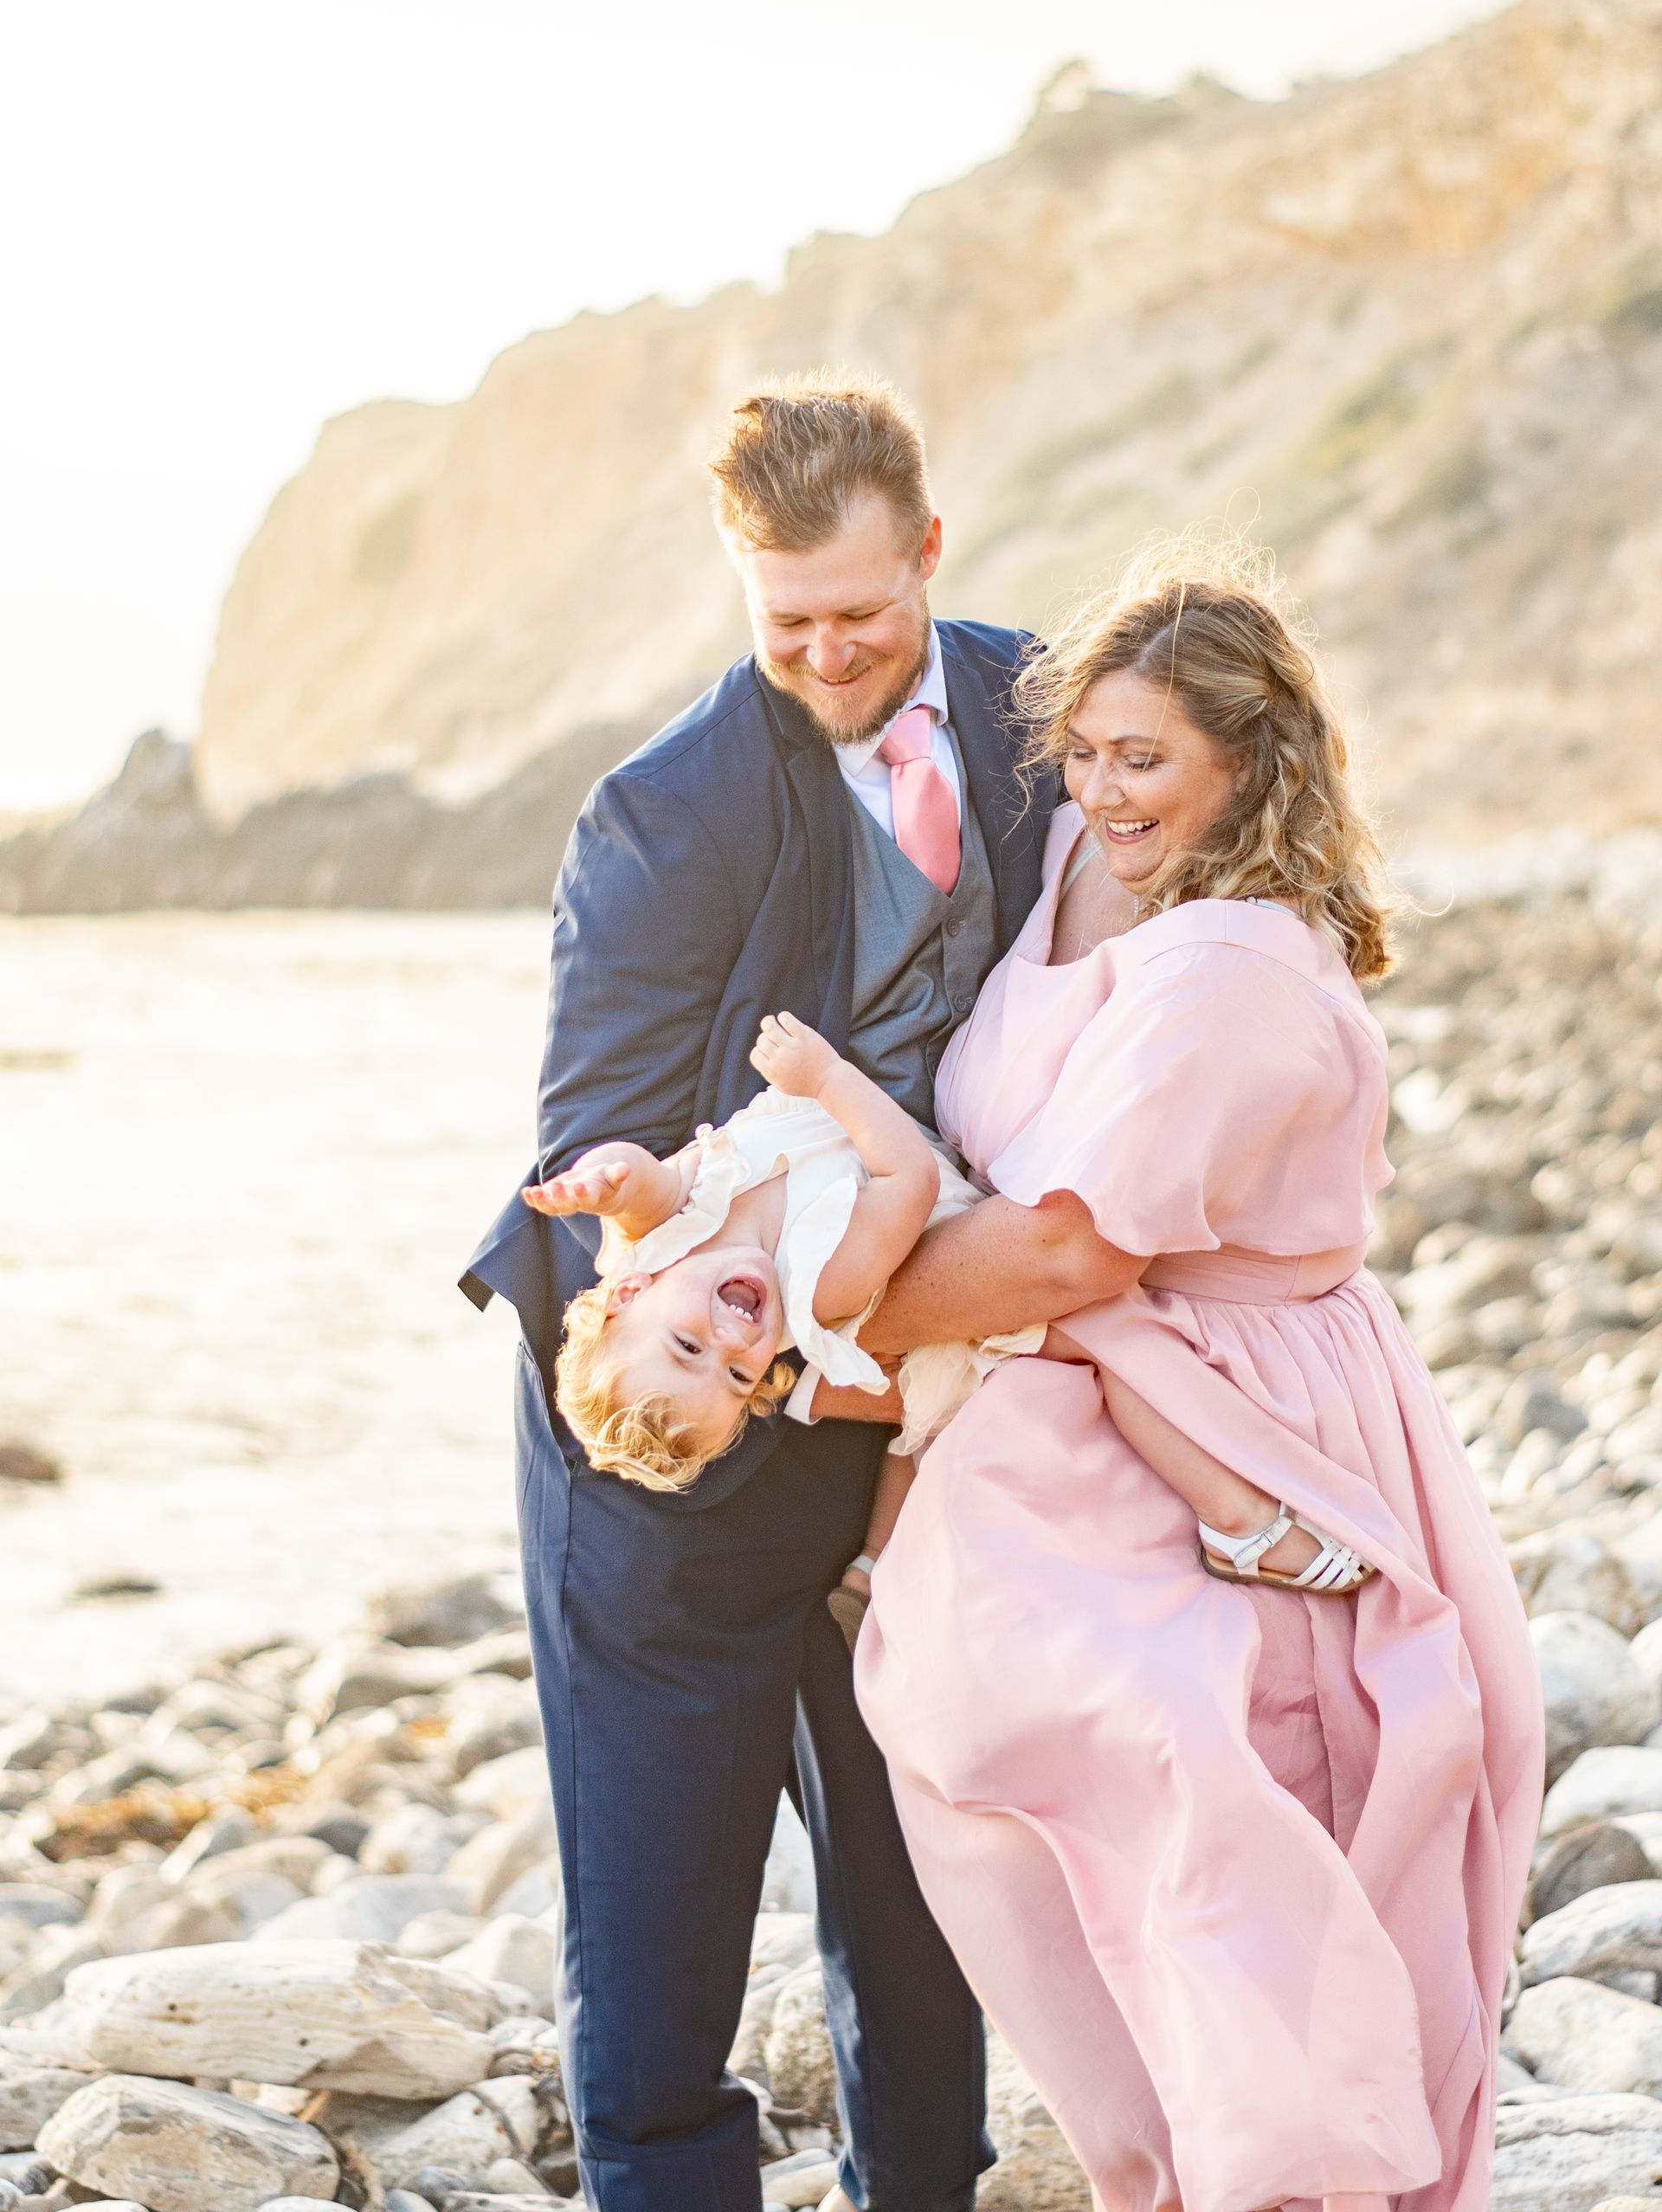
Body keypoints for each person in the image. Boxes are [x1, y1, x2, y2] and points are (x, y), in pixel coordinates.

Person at [854, 542, 1546, 2212]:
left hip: (1230, 1391)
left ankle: (1286, 2172)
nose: (1099, 789)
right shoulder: (1089, 860)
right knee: (1024, 1776)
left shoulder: (1232, 963)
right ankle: (1170, 2168)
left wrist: (821, 1335)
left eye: (1144, 755)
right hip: (1076, 1407)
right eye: (1083, 750)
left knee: (1214, 1788)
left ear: (1252, 759)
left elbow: (1079, 1247)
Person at [462, 373, 1055, 2212]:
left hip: (914, 1461)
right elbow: (593, 1167)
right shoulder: (659, 819)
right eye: (782, 623)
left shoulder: (1052, 717)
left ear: (933, 554)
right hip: (681, 1465)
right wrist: (794, 1357)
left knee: (922, 1933)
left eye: (864, 618)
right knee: (658, 1994)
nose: (826, 655)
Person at [521, 1008, 1039, 1637]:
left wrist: (604, 1184)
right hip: (974, 1223)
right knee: (930, 1426)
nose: (734, 1340)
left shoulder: (665, 1237)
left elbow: (642, 1181)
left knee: (924, 1429)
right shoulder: (816, 1284)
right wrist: (823, 1078)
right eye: (739, 1376)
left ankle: (873, 1569)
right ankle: (881, 1568)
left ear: (631, 1289)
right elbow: (910, 1176)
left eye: (688, 1346)